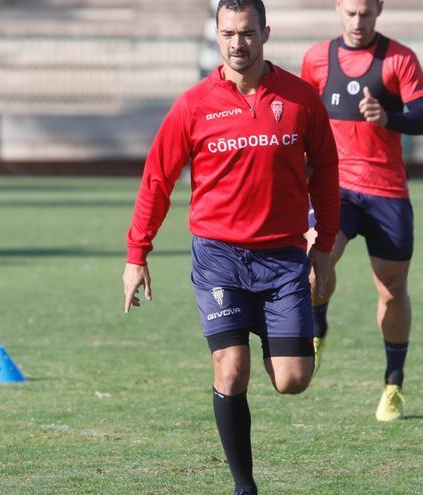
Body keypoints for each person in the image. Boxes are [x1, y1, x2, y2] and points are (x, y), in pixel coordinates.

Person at [122, 1, 340, 493]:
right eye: (227, 34)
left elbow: (326, 170)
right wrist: (138, 255)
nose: (237, 43)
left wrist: (323, 246)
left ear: (265, 32)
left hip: (283, 258)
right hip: (219, 255)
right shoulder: (193, 104)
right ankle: (245, 486)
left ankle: (280, 327)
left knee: (292, 380)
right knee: (232, 367)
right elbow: (157, 180)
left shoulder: (301, 98)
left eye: (246, 33)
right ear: (216, 36)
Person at [300, 0, 423, 421]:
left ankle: (393, 383)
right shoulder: (316, 59)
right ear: (338, 8)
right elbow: (302, 120)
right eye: (351, 12)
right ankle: (318, 325)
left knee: (391, 289)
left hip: (386, 192)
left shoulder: (400, 59)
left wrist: (388, 117)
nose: (358, 22)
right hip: (334, 186)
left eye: (366, 13)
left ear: (379, 9)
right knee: (312, 266)